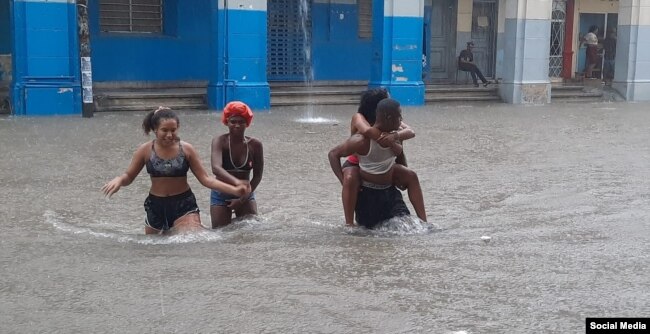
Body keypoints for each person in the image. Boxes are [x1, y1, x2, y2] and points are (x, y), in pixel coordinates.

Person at [102, 107, 250, 235]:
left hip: (184, 204)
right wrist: (119, 180)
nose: (169, 135)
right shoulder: (145, 150)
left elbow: (206, 179)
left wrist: (234, 189)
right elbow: (129, 176)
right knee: (155, 249)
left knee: (190, 241)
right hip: (155, 206)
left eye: (173, 130)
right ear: (155, 130)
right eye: (164, 130)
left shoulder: (186, 149)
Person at [329, 98, 427, 228]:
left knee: (411, 175)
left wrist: (394, 139)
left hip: (387, 181)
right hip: (365, 178)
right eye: (399, 116)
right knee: (350, 177)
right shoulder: (361, 139)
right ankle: (349, 224)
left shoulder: (395, 133)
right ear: (388, 117)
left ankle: (425, 222)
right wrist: (342, 180)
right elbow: (333, 154)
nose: (401, 120)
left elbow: (404, 144)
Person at [210, 101, 264, 228]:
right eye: (233, 122)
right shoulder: (219, 141)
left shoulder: (255, 144)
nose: (237, 125)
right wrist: (237, 183)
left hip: (245, 193)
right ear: (227, 122)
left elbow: (257, 176)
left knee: (251, 230)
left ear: (247, 123)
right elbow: (216, 168)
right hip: (221, 192)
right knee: (220, 233)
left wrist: (242, 199)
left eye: (241, 122)